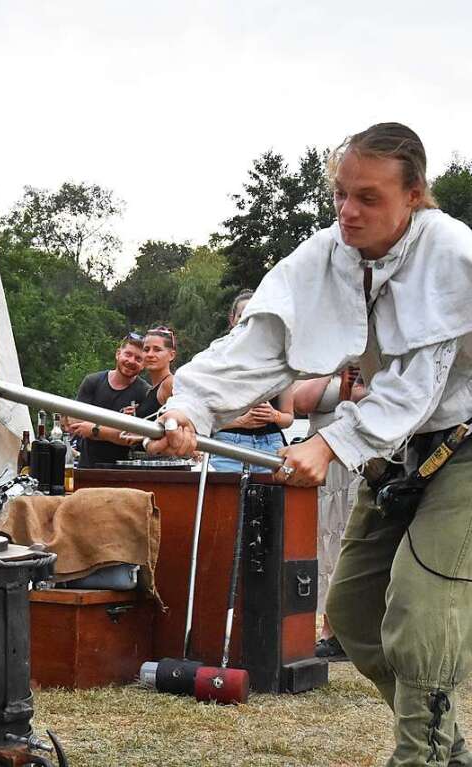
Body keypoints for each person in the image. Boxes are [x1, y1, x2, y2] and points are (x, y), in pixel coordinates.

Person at [147, 122, 472, 765]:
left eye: (369, 197)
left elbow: (419, 386)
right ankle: (445, 743)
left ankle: (424, 756)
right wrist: (189, 407)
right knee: (353, 616)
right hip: (400, 454)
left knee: (421, 616)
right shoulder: (326, 253)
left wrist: (328, 444)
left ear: (415, 196)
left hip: (464, 446)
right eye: (341, 194)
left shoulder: (452, 253)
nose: (348, 212)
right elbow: (258, 345)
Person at [294, 366, 366, 662]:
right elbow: (301, 402)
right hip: (324, 468)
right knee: (325, 544)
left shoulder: (371, 364)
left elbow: (361, 404)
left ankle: (353, 632)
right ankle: (329, 631)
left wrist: (350, 387)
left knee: (351, 541)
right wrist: (333, 369)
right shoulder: (321, 362)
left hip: (356, 459)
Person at [210, 290, 295, 472]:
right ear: (232, 319)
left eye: (256, 316)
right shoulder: (215, 358)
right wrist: (240, 421)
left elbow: (288, 418)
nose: (250, 322)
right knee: (226, 500)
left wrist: (275, 416)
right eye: (243, 316)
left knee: (270, 500)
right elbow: (203, 417)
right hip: (227, 446)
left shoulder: (279, 360)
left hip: (270, 445)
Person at [66, 334, 150, 468]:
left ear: (144, 364)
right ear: (118, 354)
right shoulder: (92, 382)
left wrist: (95, 429)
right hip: (88, 467)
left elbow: (132, 439)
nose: (132, 361)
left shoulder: (145, 392)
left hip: (126, 471)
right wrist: (118, 429)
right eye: (128, 354)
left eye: (138, 359)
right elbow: (76, 425)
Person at [136, 327, 177, 419]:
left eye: (157, 350)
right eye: (146, 349)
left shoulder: (170, 384)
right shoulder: (151, 390)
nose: (150, 354)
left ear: (171, 355)